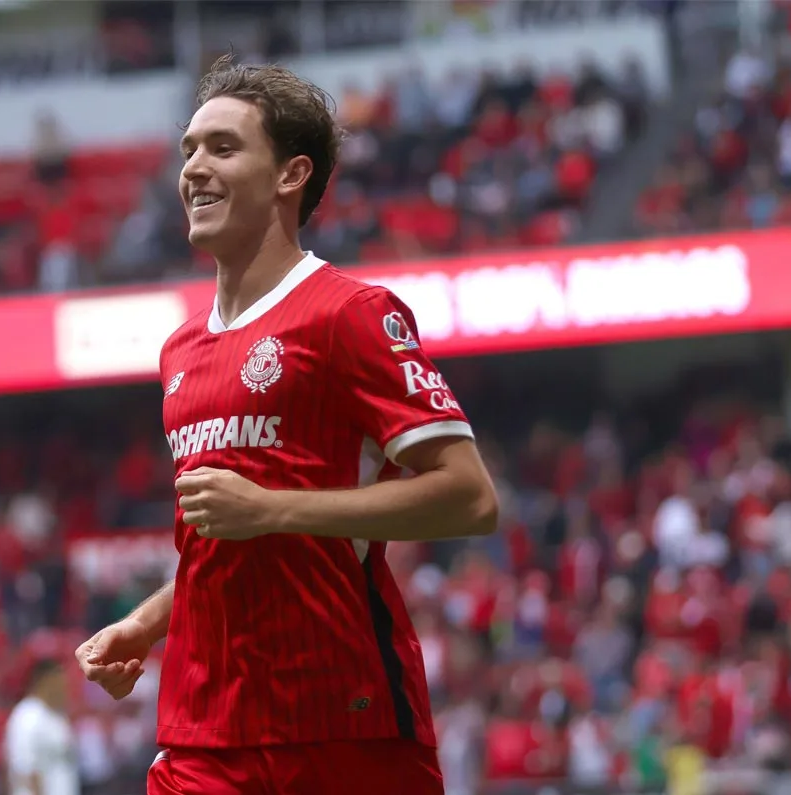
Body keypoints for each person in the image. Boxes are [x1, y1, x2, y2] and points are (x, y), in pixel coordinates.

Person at [76, 54, 499, 795]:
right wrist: (147, 623)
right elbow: (221, 538)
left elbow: (470, 498)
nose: (194, 168)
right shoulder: (180, 351)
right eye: (189, 150)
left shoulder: (350, 315)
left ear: (290, 175)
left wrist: (273, 509)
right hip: (204, 729)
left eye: (223, 148)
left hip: (341, 723)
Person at [4, 658, 79, 795]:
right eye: (59, 682)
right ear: (45, 682)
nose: (64, 688)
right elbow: (25, 770)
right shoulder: (27, 715)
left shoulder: (58, 716)